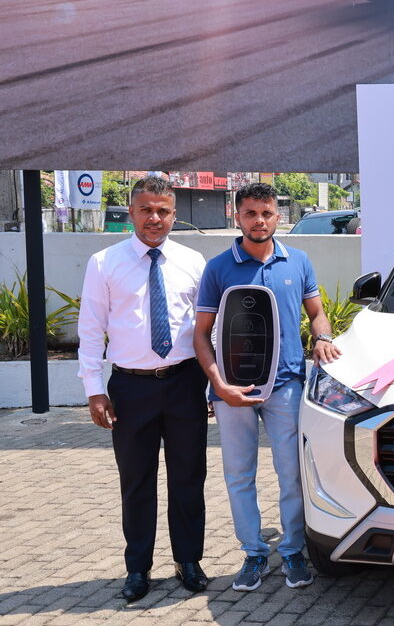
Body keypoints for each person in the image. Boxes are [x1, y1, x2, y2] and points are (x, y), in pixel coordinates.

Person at [193, 183, 341, 591]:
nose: (259, 221)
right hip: (232, 390)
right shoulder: (218, 268)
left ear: (278, 217)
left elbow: (317, 313)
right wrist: (218, 385)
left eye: (266, 213)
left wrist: (323, 337)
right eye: (251, 213)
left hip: (286, 384)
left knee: (291, 473)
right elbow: (201, 334)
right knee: (239, 474)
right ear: (237, 217)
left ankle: (292, 550)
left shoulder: (298, 261)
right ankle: (254, 553)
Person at [77, 176, 210, 601]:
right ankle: (138, 568)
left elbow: (206, 330)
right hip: (130, 389)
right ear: (131, 212)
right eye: (146, 210)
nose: (155, 218)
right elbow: (91, 330)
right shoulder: (104, 263)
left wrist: (212, 383)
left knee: (189, 477)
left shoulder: (193, 261)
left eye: (163, 211)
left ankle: (189, 560)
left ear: (174, 214)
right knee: (136, 481)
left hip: (185, 382)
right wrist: (94, 390)